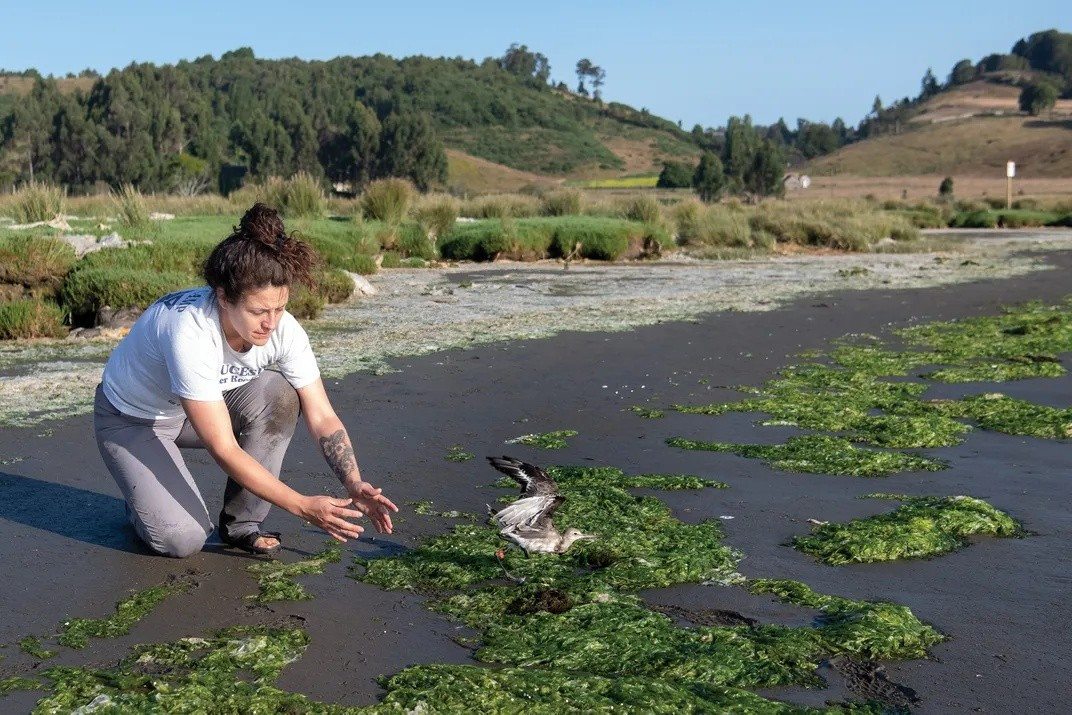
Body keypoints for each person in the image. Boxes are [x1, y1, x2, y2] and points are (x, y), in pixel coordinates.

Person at [93, 203, 396, 557]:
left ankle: (242, 525)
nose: (270, 323)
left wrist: (353, 481)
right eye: (257, 311)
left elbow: (322, 415)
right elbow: (223, 448)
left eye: (279, 309)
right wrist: (301, 505)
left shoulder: (284, 330)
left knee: (281, 394)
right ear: (222, 296)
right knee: (183, 540)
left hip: (194, 409)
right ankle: (140, 503)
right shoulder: (190, 333)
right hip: (132, 421)